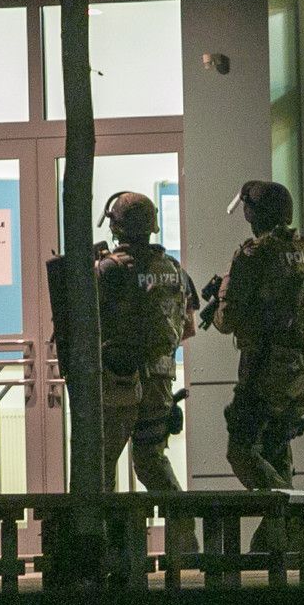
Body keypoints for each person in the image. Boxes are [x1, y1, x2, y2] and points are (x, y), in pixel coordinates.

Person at [212, 180, 304, 550]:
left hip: (267, 372)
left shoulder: (254, 254)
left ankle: (290, 516)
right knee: (277, 449)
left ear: (253, 213)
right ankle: (272, 545)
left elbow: (227, 320)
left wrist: (219, 300)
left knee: (242, 449)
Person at [95, 191, 198, 552]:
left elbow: (87, 324)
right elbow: (187, 329)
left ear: (116, 226)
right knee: (151, 460)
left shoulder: (109, 269)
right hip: (160, 383)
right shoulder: (175, 270)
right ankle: (185, 543)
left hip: (119, 380)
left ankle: (108, 550)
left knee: (102, 464)